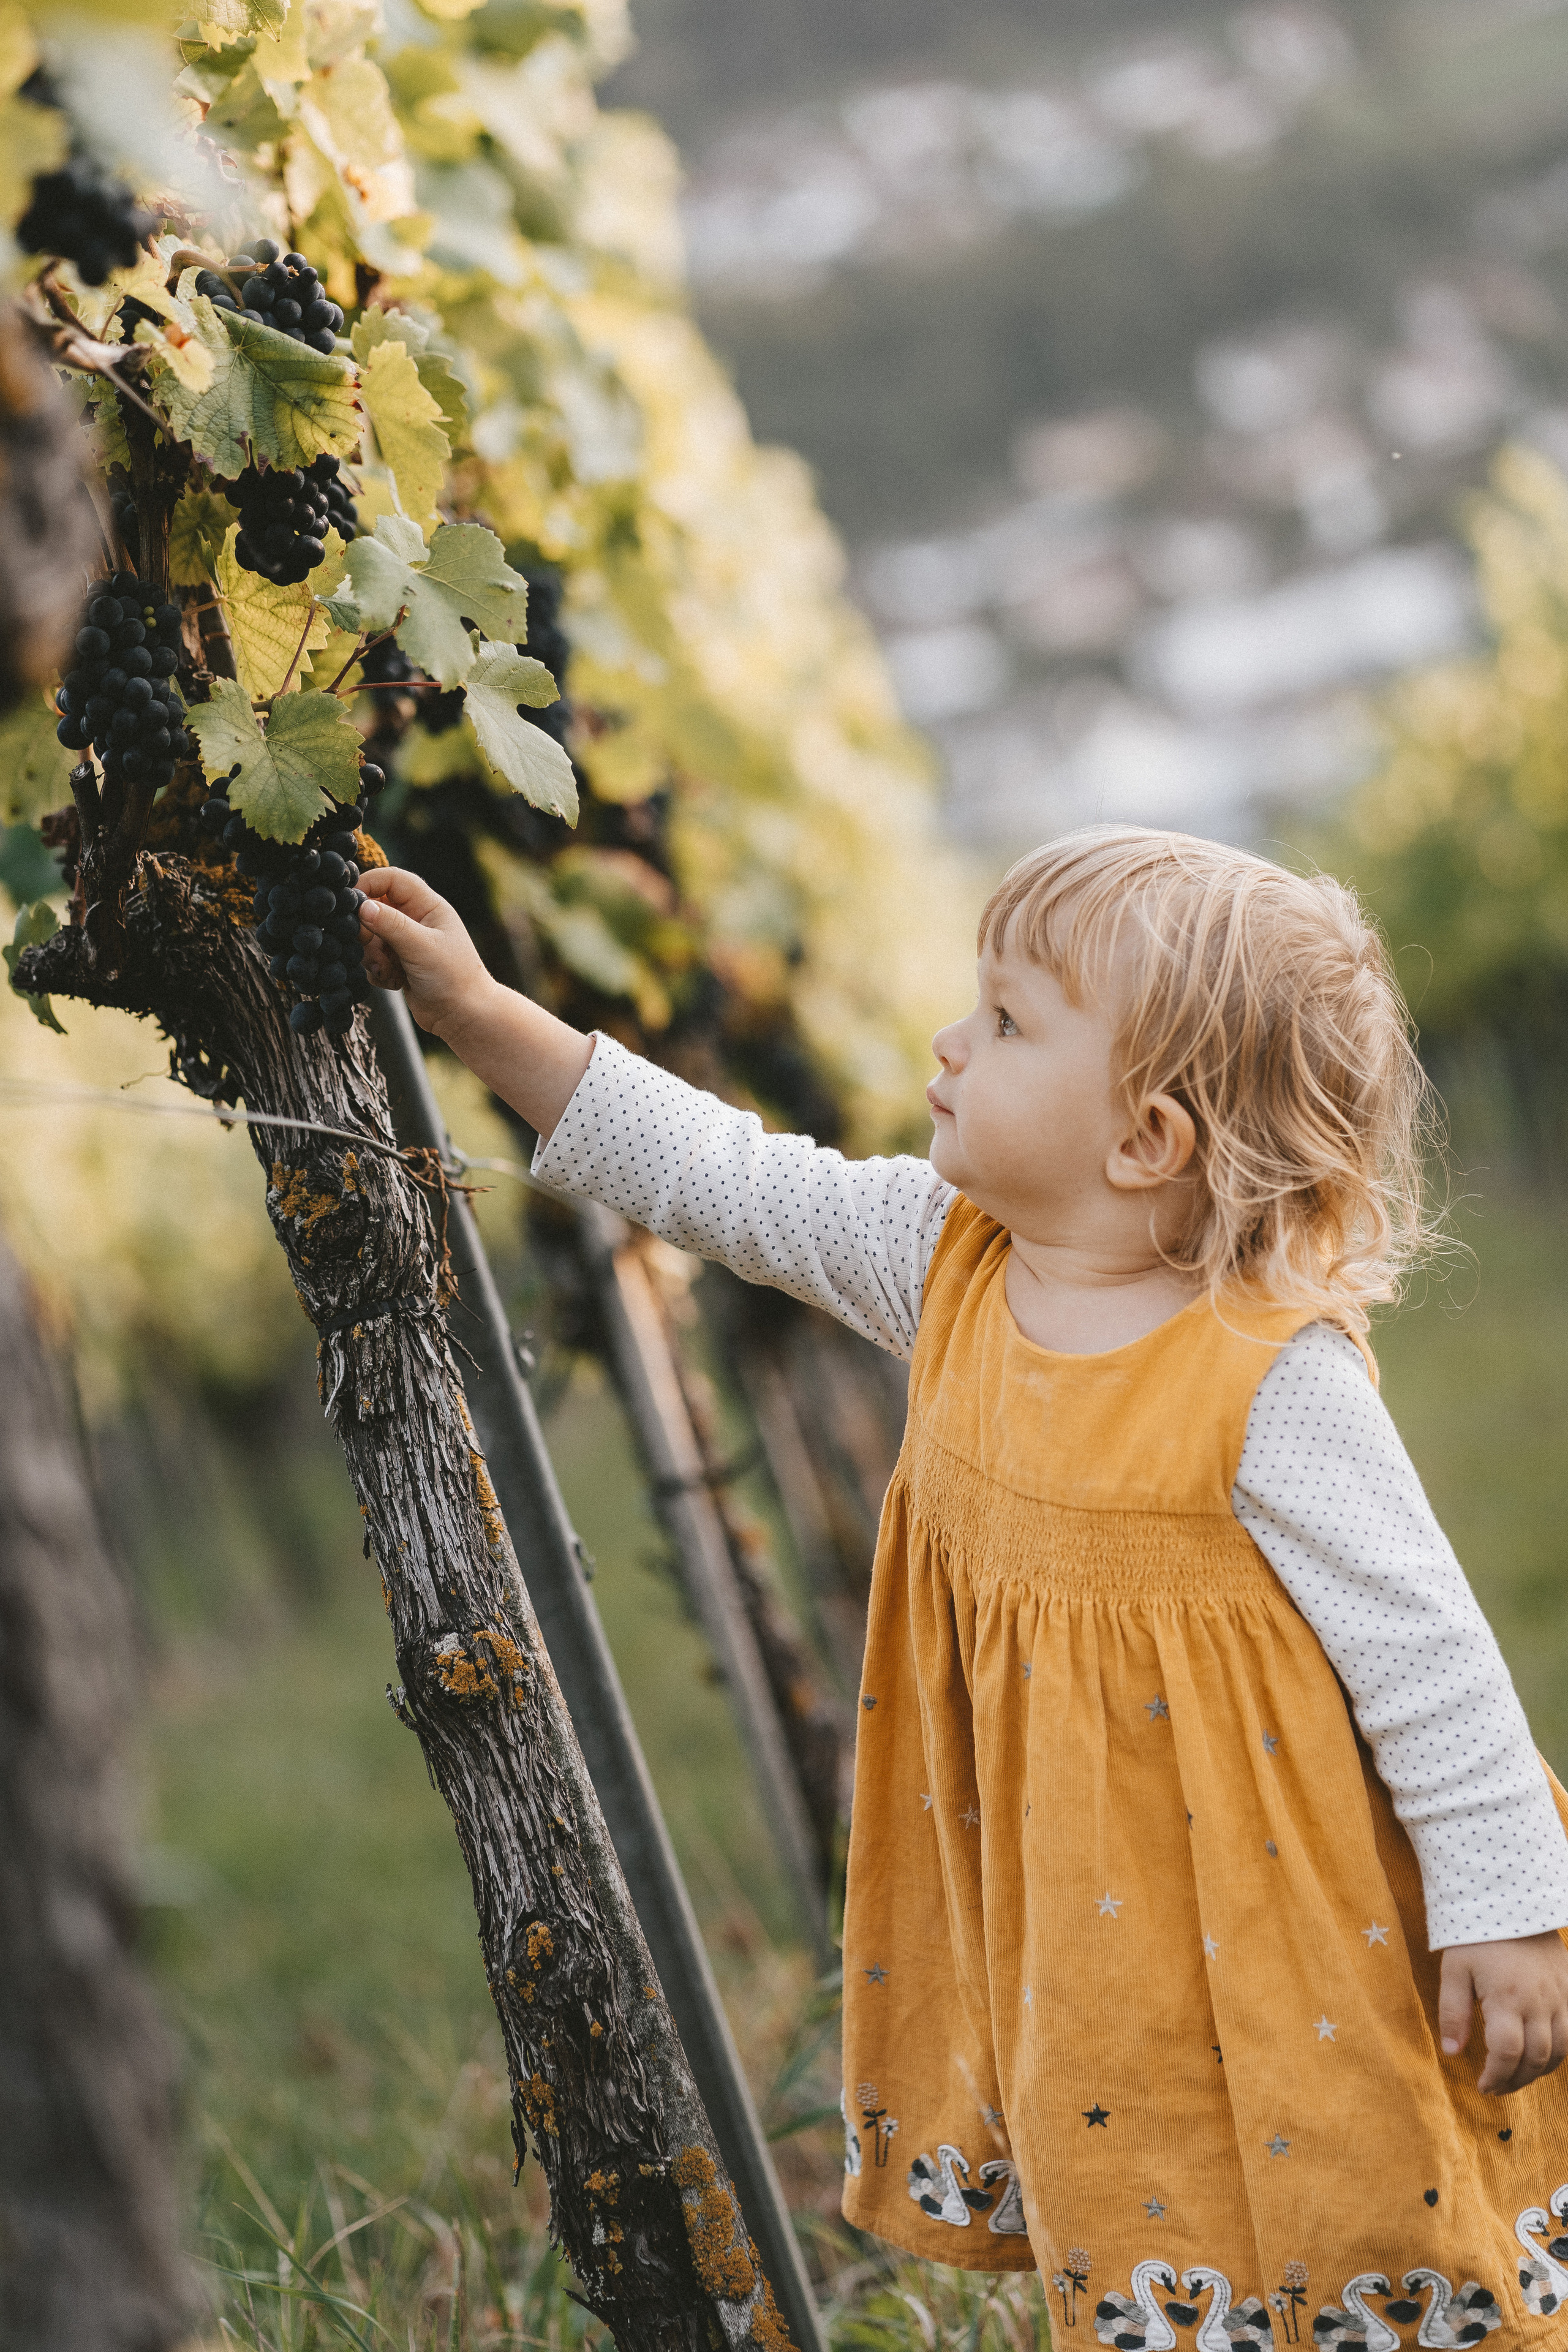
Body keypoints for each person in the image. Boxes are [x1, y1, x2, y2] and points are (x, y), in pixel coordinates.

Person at [358, 826, 1568, 2338]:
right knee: (1139, 2187)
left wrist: (1508, 1911)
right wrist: (480, 1014)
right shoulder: (945, 1265)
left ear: (1145, 1139)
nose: (949, 1038)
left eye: (1006, 1023)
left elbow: (1430, 1660)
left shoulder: (1269, 1377)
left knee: (1348, 2177)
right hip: (1084, 1917)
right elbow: (725, 1178)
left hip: (1294, 1916)